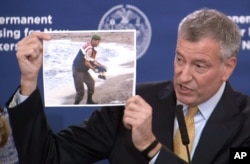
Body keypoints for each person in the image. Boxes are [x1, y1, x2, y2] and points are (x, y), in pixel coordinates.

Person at [6, 8, 250, 164]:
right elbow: (48, 158)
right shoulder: (131, 101)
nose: (183, 76)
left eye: (199, 66)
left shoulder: (246, 124)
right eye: (179, 59)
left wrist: (151, 147)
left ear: (227, 68)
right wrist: (28, 82)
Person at [72, 34, 102, 104]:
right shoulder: (89, 49)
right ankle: (75, 106)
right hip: (77, 70)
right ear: (93, 40)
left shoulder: (90, 46)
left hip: (83, 70)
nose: (98, 43)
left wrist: (98, 64)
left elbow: (90, 59)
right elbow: (86, 63)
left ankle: (89, 101)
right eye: (97, 41)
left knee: (91, 83)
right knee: (80, 92)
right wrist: (93, 69)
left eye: (99, 42)